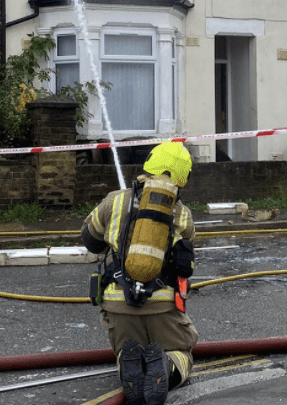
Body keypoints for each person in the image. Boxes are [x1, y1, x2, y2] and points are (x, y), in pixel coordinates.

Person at [81, 141, 198, 405]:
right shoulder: (182, 215)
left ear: (150, 163)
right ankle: (168, 367)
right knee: (182, 351)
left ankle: (128, 365)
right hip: (162, 309)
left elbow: (90, 239)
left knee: (125, 350)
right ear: (184, 177)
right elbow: (187, 255)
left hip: (119, 306)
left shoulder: (115, 200)